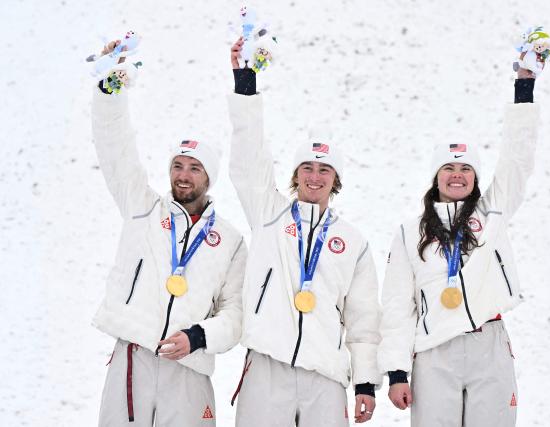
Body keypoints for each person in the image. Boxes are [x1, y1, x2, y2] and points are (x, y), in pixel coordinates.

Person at [91, 39, 247, 426]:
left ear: (208, 177)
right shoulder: (142, 207)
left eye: (194, 167)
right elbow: (116, 151)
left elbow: (235, 314)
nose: (182, 174)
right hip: (134, 354)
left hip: (190, 366)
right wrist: (111, 94)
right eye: (178, 165)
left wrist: (198, 337)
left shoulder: (229, 240)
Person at [227, 38, 382, 426]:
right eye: (307, 168)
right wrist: (246, 84)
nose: (315, 177)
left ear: (336, 180)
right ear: (295, 175)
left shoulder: (353, 242)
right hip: (266, 368)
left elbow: (362, 318)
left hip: (325, 375)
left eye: (324, 170)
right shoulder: (269, 214)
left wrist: (364, 382)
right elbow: (248, 159)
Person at [378, 63, 542, 427]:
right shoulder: (411, 231)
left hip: (489, 344)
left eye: (465, 168)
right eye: (449, 168)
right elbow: (396, 307)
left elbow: (517, 161)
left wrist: (524, 90)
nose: (457, 174)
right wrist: (397, 372)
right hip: (434, 352)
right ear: (436, 177)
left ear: (475, 178)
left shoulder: (491, 214)